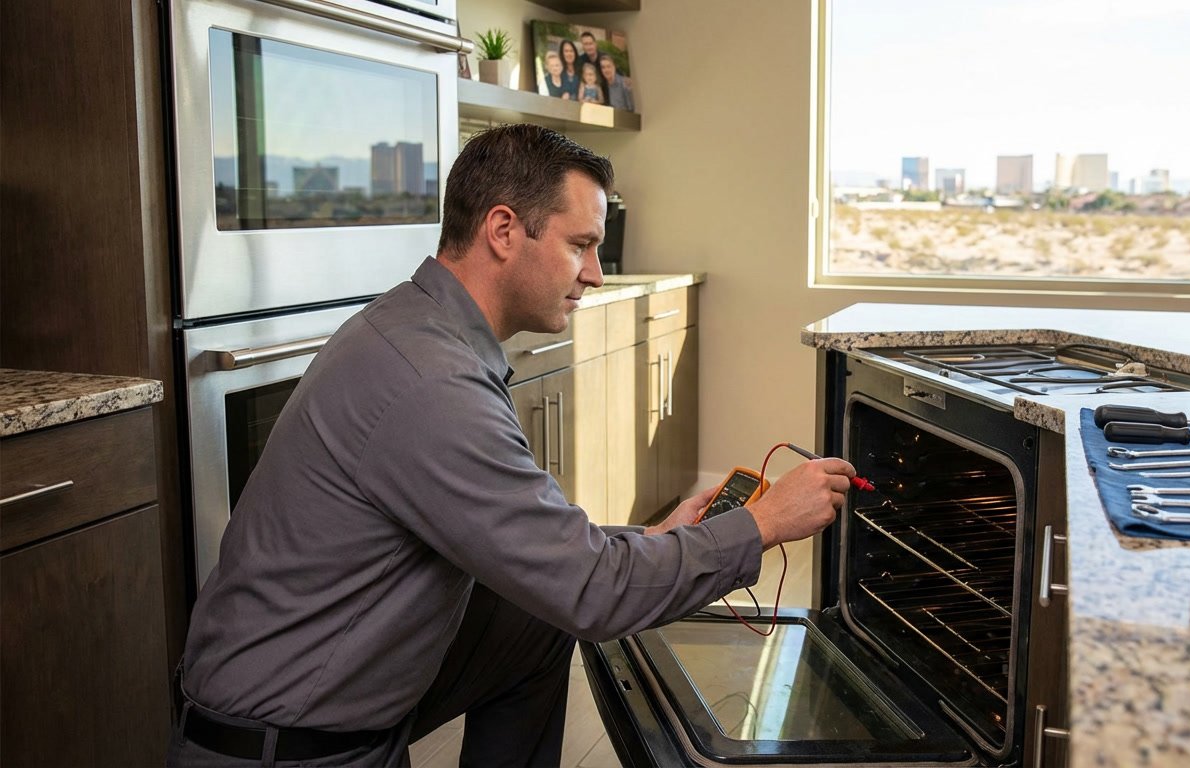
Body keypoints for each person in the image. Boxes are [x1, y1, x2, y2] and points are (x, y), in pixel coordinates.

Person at [166, 124, 855, 768]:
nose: (596, 273)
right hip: (289, 742)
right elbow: (591, 591)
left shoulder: (423, 329)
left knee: (532, 617)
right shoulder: (431, 384)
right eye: (580, 245)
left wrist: (653, 538)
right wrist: (762, 523)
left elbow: (542, 555)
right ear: (502, 230)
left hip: (328, 681)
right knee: (559, 602)